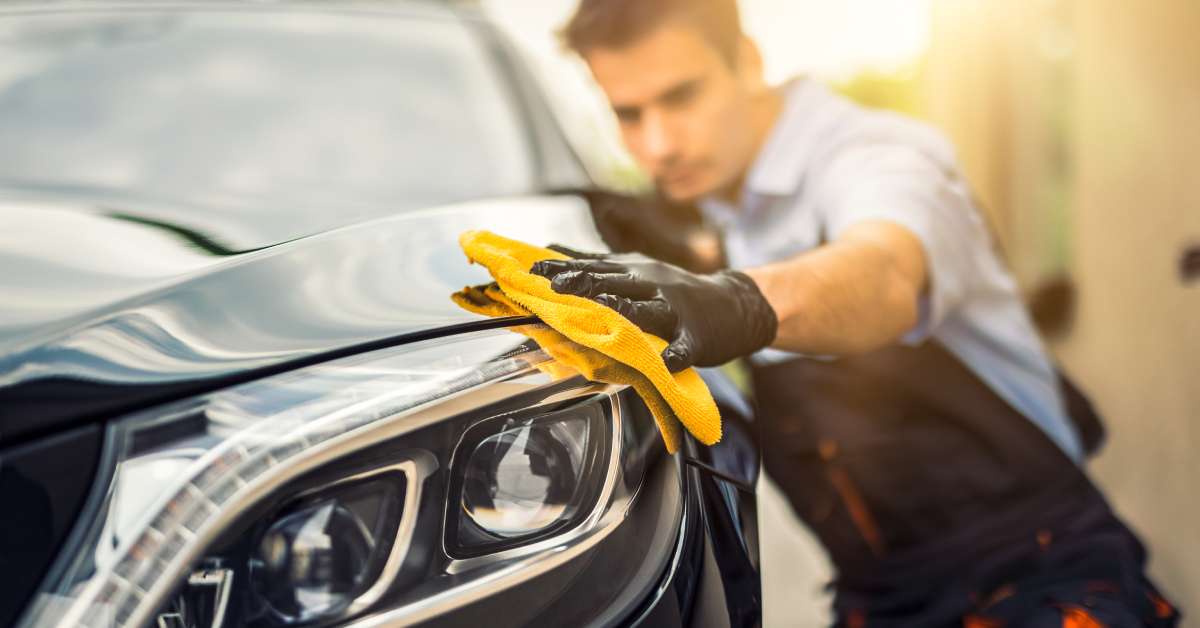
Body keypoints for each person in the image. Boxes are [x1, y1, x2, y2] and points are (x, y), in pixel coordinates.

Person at [529, 0, 1181, 626]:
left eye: (681, 97)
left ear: (747, 60)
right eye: (628, 114)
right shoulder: (715, 203)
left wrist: (738, 301)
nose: (659, 144)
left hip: (1039, 574)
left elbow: (887, 272)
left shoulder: (877, 155)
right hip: (881, 598)